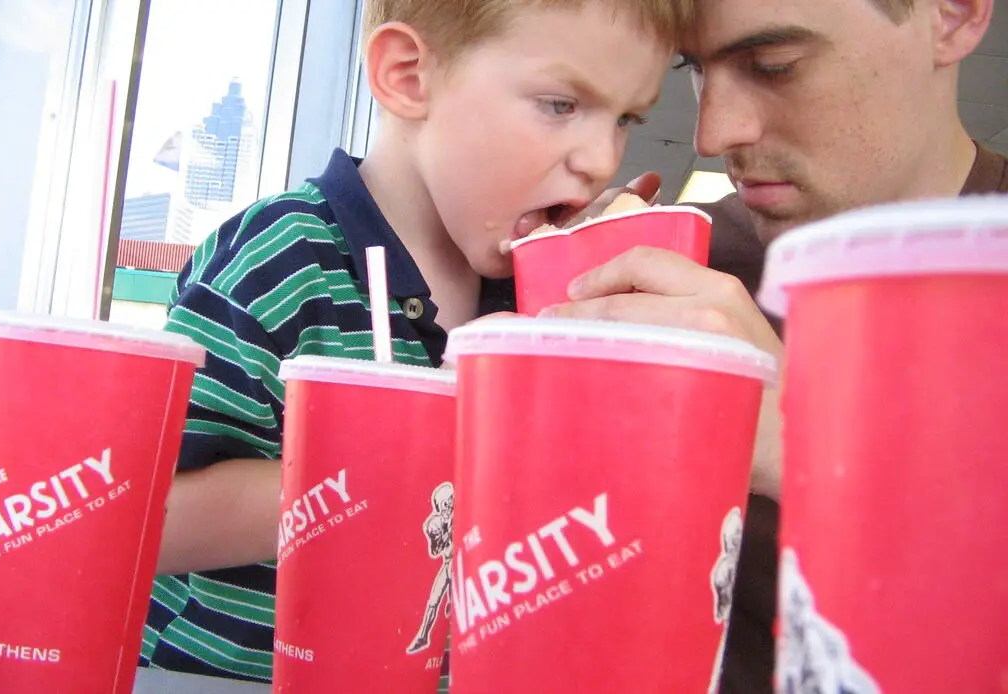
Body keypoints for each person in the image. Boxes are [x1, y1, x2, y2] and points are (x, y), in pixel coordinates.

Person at [139, 0, 684, 683]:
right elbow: (153, 519)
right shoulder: (282, 258)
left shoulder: (532, 295)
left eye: (627, 118)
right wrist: (438, 449)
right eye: (560, 104)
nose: (602, 160)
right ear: (407, 77)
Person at [540, 0, 1006, 691]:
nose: (713, 131)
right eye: (698, 70)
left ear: (953, 16)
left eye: (773, 66)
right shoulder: (672, 272)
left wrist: (813, 452)